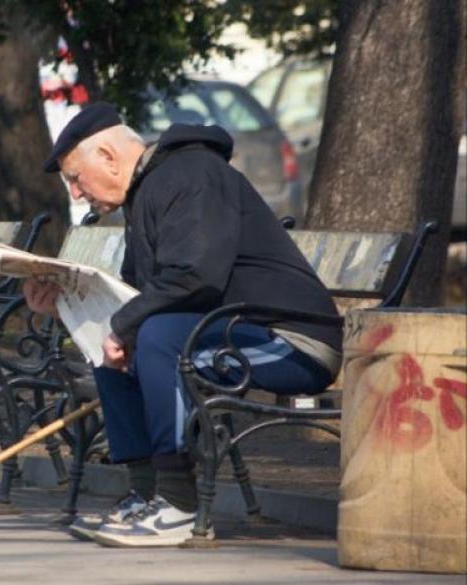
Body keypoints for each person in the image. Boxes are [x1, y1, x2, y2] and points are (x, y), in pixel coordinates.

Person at [26, 103, 342, 547]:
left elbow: (196, 277)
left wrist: (128, 323)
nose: (76, 194)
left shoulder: (192, 173)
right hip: (229, 330)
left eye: (75, 178)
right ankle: (147, 493)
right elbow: (137, 298)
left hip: (292, 339)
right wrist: (61, 306)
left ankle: (179, 505)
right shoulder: (146, 194)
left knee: (156, 337)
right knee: (113, 344)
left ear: (109, 157)